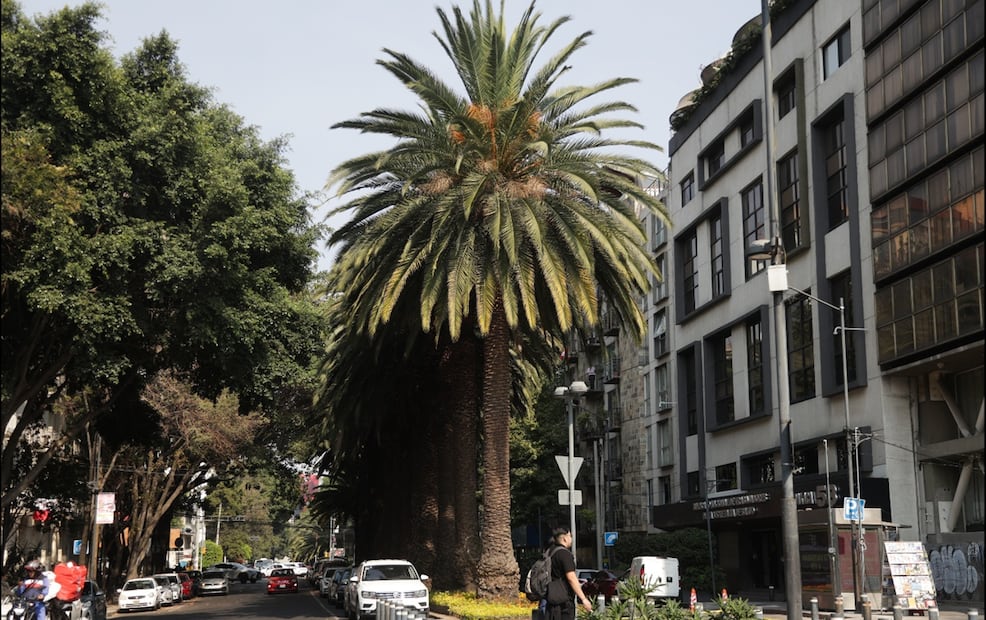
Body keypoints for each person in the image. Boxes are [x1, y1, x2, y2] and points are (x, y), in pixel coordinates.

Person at [545, 527, 592, 620]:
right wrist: (583, 599)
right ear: (564, 538)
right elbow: (571, 578)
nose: (572, 539)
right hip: (564, 602)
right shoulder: (565, 554)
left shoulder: (549, 552)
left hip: (551, 599)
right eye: (570, 536)